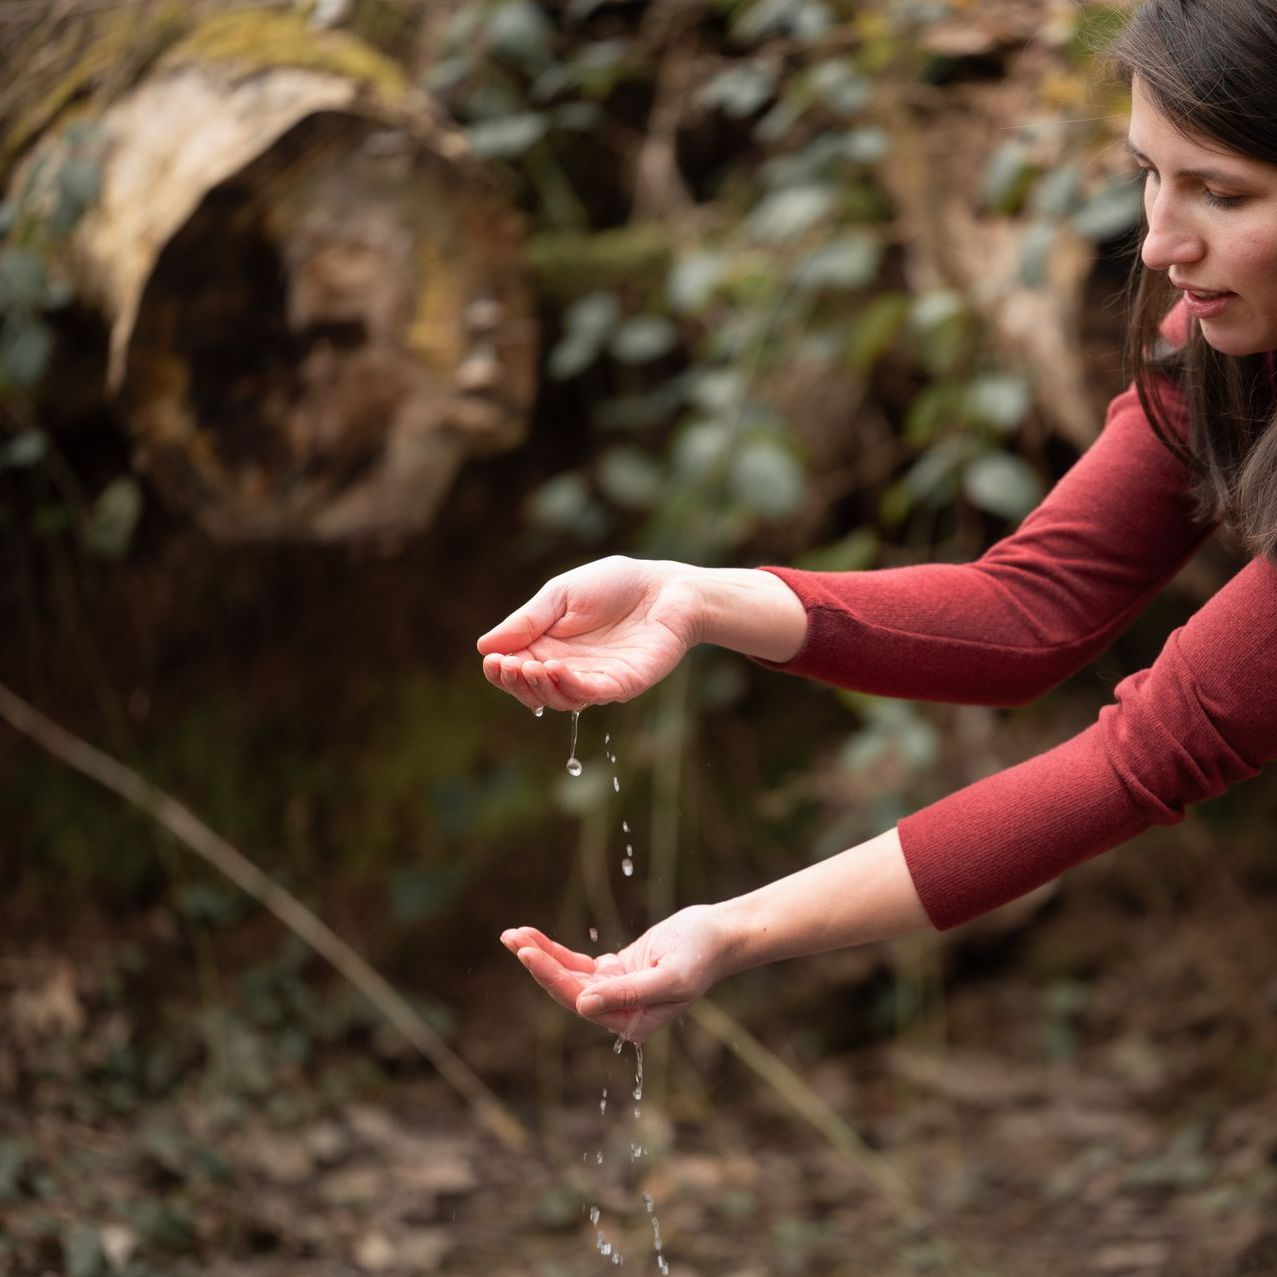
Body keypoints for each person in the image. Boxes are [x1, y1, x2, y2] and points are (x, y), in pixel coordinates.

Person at [478, 0, 1277, 1045]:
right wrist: (697, 594)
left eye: (1220, 192)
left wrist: (739, 927)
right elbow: (1032, 606)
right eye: (1148, 171)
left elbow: (1143, 755)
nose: (1160, 240)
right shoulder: (1216, 334)